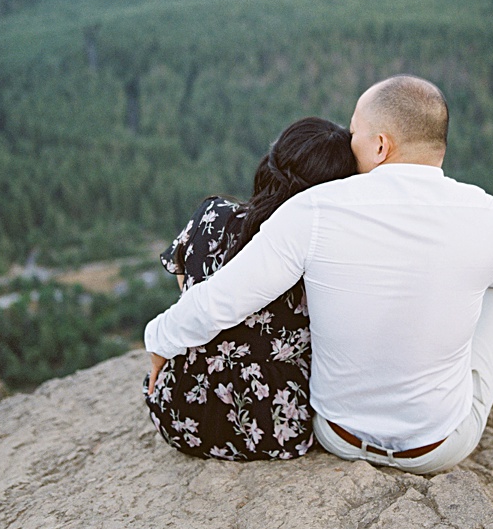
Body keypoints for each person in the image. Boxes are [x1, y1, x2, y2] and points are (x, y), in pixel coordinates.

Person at [145, 75, 493, 477]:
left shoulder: (314, 209)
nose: (348, 141)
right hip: (436, 448)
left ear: (380, 145)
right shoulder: (486, 214)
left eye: (354, 131)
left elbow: (221, 299)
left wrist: (158, 341)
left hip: (338, 437)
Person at [144, 116, 356, 460]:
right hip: (275, 425)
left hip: (181, 412)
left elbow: (185, 282)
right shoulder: (325, 254)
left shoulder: (213, 214)